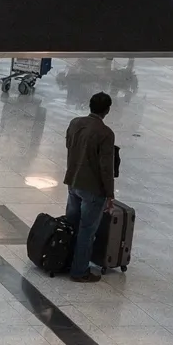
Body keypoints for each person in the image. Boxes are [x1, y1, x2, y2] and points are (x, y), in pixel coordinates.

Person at [62, 91, 118, 283]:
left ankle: (64, 260)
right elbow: (106, 167)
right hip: (92, 189)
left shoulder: (75, 123)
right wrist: (110, 194)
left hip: (73, 181)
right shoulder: (106, 134)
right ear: (107, 110)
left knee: (71, 224)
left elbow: (69, 145)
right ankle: (79, 271)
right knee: (87, 230)